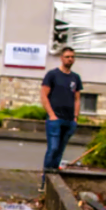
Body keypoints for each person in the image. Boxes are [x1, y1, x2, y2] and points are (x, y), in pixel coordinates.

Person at [40, 47, 82, 185]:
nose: (70, 59)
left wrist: (75, 117)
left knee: (60, 150)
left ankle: (53, 181)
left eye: (72, 57)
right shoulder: (52, 75)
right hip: (55, 119)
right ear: (61, 58)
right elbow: (44, 95)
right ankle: (45, 179)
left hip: (69, 120)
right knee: (52, 148)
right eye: (67, 56)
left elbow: (77, 99)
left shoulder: (75, 78)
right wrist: (51, 115)